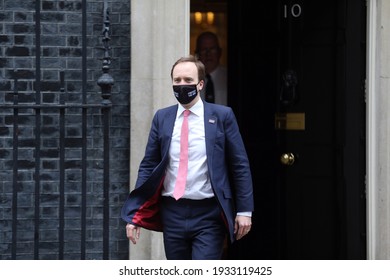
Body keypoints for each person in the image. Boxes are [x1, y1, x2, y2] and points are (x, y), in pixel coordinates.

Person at [121, 55, 254, 260]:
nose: (182, 85)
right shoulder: (162, 117)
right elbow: (149, 165)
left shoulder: (222, 116)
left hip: (209, 213)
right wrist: (134, 215)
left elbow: (239, 165)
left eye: (188, 80)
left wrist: (245, 210)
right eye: (177, 80)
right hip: (172, 212)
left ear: (200, 84)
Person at [195, 31, 228, 105]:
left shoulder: (227, 77)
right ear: (197, 54)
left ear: (219, 52)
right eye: (203, 50)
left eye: (212, 49)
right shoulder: (192, 80)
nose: (208, 54)